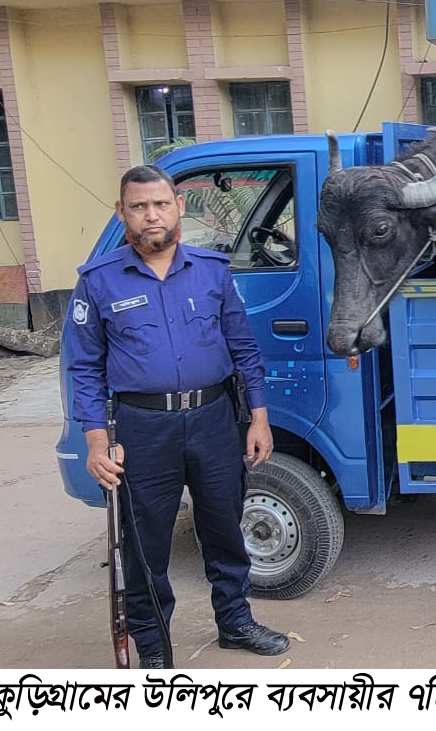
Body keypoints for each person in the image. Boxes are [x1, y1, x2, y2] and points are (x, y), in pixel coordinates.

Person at [67, 164, 290, 669]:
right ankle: (153, 645)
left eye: (160, 204)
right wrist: (97, 442)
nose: (151, 215)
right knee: (146, 545)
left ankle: (235, 621)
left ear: (178, 207)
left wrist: (258, 418)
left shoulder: (212, 271)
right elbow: (84, 369)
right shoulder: (98, 282)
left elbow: (243, 348)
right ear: (121, 212)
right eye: (139, 206)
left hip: (213, 419)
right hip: (141, 430)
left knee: (224, 530)